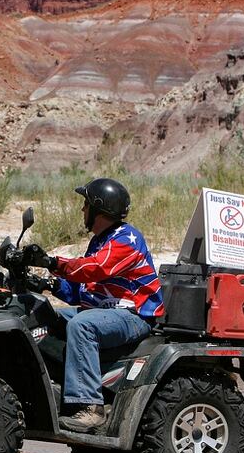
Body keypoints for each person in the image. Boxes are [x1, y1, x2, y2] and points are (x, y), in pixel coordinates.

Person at [23, 178, 165, 433]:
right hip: (103, 311)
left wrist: (52, 262)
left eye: (86, 205)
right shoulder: (100, 240)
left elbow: (96, 269)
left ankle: (90, 408)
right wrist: (46, 284)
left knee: (82, 325)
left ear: (100, 210)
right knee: (43, 316)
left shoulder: (127, 239)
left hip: (132, 315)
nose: (82, 210)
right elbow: (81, 292)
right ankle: (53, 387)